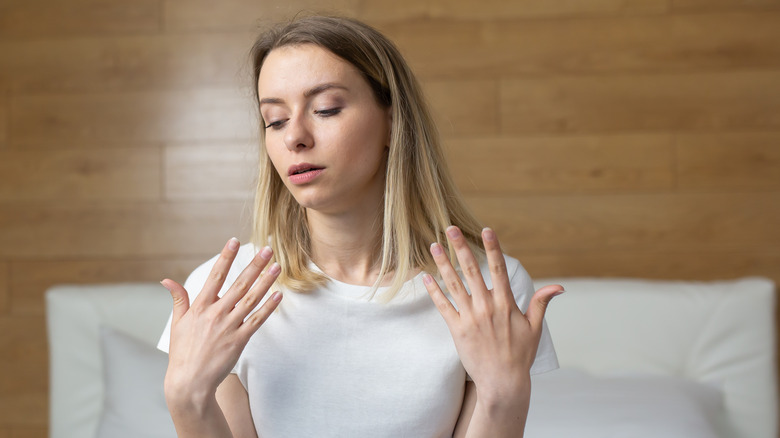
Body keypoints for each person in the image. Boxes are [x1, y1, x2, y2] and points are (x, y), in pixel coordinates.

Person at [157, 15, 563, 438]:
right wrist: (187, 401)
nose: (294, 136)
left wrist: (505, 396)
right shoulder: (223, 295)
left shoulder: (487, 292)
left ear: (391, 120)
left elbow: (499, 410)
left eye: (326, 109)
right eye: (274, 120)